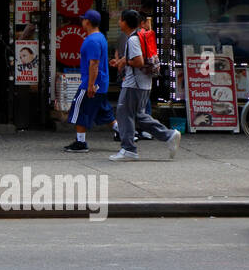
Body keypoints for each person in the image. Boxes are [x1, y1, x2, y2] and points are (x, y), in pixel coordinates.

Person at [109, 10, 181, 161]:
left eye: (120, 20)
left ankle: (129, 149)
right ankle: (169, 135)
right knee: (138, 115)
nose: (119, 22)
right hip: (142, 84)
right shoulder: (138, 36)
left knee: (124, 114)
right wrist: (122, 61)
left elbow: (138, 61)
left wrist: (125, 62)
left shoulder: (133, 39)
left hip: (133, 84)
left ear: (125, 22)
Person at [63, 10, 115, 153]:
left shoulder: (92, 40)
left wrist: (90, 85)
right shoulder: (101, 37)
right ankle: (124, 133)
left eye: (83, 19)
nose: (82, 22)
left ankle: (81, 142)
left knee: (80, 109)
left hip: (91, 83)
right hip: (101, 82)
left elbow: (94, 64)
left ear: (88, 22)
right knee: (103, 111)